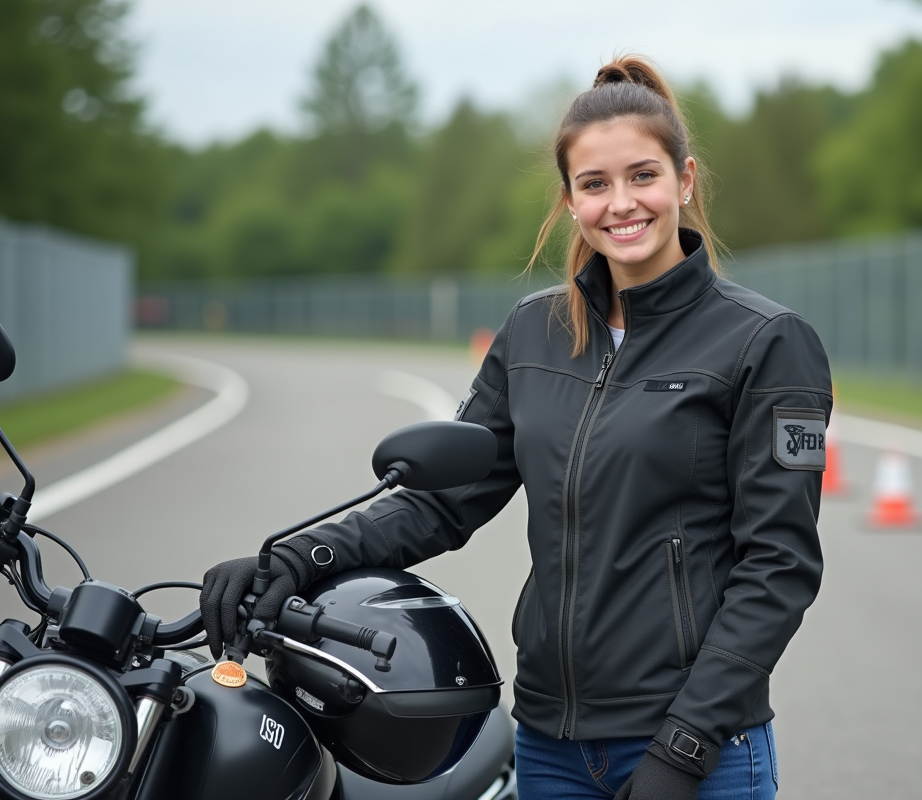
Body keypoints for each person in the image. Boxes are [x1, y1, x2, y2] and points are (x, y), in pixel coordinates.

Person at [200, 55, 831, 800]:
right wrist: (296, 558)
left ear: (685, 180)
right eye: (595, 184)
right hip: (550, 745)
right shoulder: (534, 332)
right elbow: (442, 498)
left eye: (643, 176)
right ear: (569, 199)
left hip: (694, 750)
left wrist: (684, 749)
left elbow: (779, 567)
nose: (621, 203)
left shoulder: (767, 342)